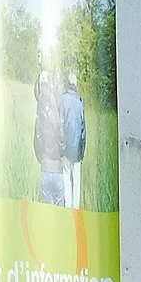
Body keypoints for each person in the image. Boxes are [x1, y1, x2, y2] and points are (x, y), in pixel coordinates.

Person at [33, 69, 67, 206]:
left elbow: (36, 140)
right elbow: (62, 140)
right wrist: (62, 154)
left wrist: (41, 158)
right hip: (57, 168)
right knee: (60, 207)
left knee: (47, 208)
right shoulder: (57, 119)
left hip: (45, 167)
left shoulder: (39, 117)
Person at [61, 76, 88, 209]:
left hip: (66, 147)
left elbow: (60, 124)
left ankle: (68, 205)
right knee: (76, 178)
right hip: (77, 147)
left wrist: (61, 145)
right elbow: (83, 129)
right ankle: (76, 208)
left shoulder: (63, 99)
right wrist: (82, 149)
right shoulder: (80, 101)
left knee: (66, 175)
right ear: (76, 85)